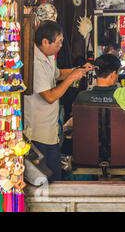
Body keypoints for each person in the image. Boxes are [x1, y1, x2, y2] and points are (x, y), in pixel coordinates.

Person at [24, 20, 93, 181]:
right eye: (59, 42)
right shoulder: (35, 63)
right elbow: (49, 96)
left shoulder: (47, 56)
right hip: (38, 133)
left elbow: (58, 74)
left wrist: (78, 70)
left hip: (50, 131)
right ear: (45, 42)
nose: (61, 46)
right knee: (44, 180)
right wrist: (71, 80)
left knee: (55, 177)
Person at [75, 54, 125, 127]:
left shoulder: (82, 96)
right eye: (118, 73)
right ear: (113, 74)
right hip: (120, 138)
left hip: (89, 139)